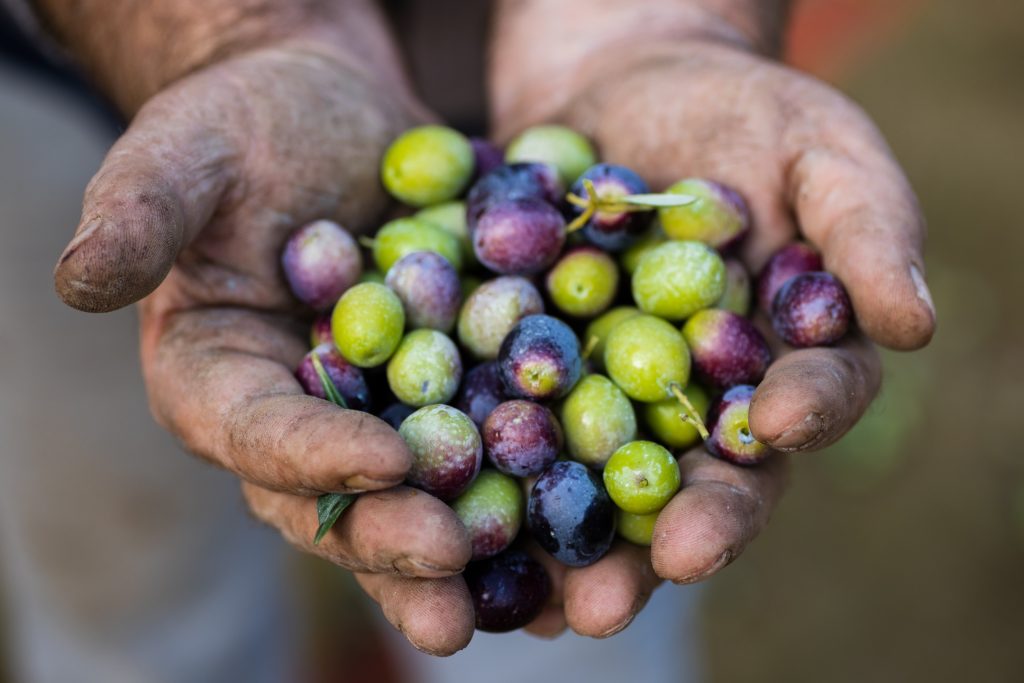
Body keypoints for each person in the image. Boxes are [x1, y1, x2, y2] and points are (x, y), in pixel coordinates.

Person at [0, 0, 936, 680]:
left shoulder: (568, 318)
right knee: (131, 577)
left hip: (582, 55)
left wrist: (679, 20)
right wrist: (222, 31)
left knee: (573, 620)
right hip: (84, 87)